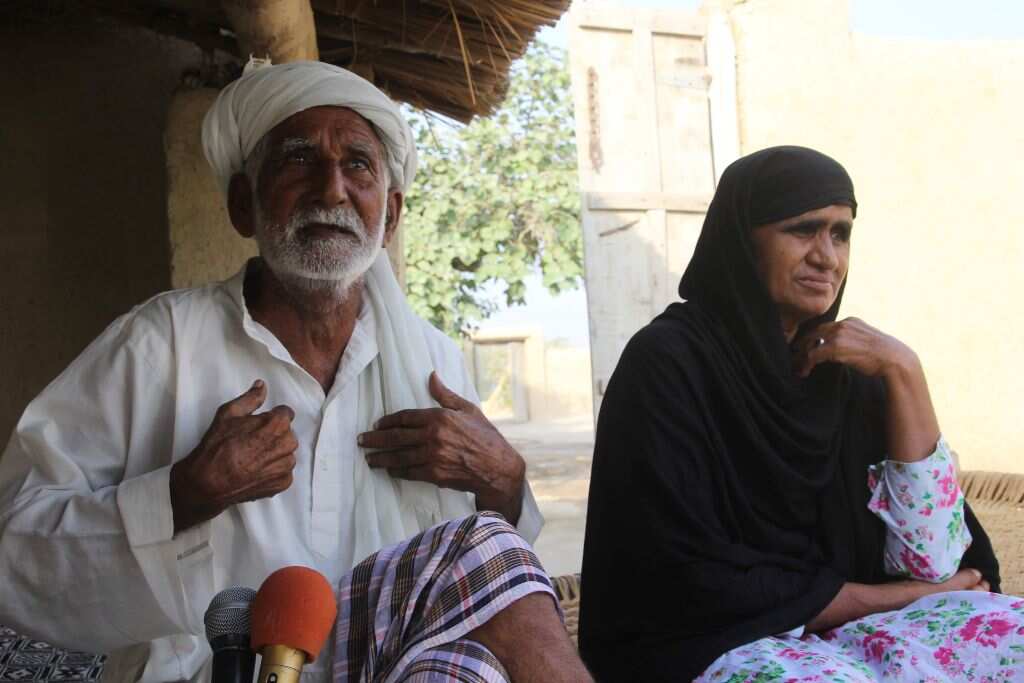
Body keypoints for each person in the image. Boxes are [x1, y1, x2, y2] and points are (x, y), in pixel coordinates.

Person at [0, 60, 589, 682]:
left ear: (389, 216)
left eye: (357, 164)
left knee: (466, 652)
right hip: (213, 670)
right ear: (242, 207)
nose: (331, 190)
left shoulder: (432, 363)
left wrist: (502, 480)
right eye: (299, 161)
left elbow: (494, 579)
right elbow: (13, 546)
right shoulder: (159, 345)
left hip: (385, 663)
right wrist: (180, 496)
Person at [579, 146, 1022, 681]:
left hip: (857, 631)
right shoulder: (670, 363)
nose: (827, 257)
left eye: (841, 233)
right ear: (743, 240)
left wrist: (905, 372)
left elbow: (937, 564)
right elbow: (679, 579)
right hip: (714, 639)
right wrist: (899, 598)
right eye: (803, 230)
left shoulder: (853, 371)